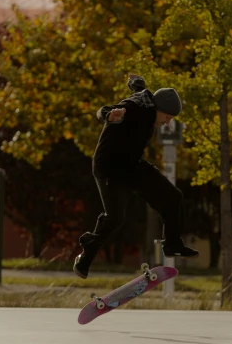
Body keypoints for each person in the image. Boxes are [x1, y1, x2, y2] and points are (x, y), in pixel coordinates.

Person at [73, 74, 198, 279]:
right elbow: (103, 110)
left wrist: (135, 82)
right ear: (159, 109)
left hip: (132, 165)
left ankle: (173, 245)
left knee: (173, 196)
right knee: (115, 218)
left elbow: (139, 89)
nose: (167, 123)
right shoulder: (134, 109)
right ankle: (86, 255)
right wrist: (109, 116)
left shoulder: (149, 102)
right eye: (167, 118)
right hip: (109, 168)